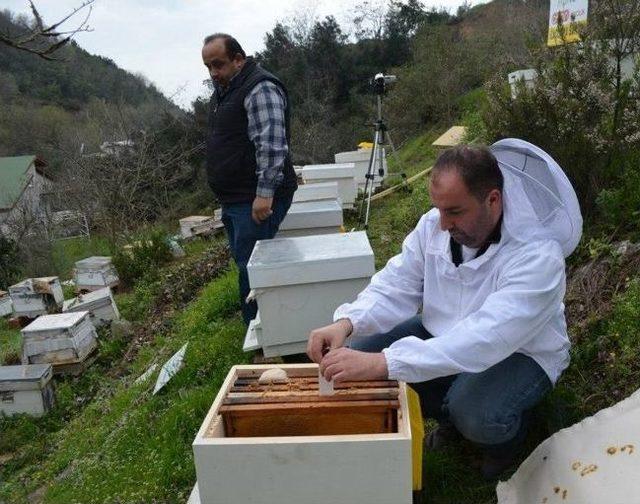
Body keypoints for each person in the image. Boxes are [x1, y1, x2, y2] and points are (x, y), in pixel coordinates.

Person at [307, 144, 581, 479]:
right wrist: (347, 322)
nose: (442, 224)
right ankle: (452, 413)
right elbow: (398, 281)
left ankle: (505, 439)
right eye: (438, 209)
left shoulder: (537, 255)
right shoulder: (433, 226)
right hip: (446, 332)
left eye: (454, 211)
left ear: (493, 200)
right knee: (361, 353)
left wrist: (386, 362)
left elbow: (488, 336)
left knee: (475, 411)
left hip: (521, 352)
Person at [202, 33, 297, 325]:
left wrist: (264, 193)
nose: (213, 73)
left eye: (218, 65)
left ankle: (261, 331)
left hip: (254, 197)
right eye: (208, 67)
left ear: (238, 59)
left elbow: (271, 143)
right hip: (236, 198)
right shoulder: (228, 89)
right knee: (247, 262)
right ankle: (262, 328)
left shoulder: (260, 88)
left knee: (252, 267)